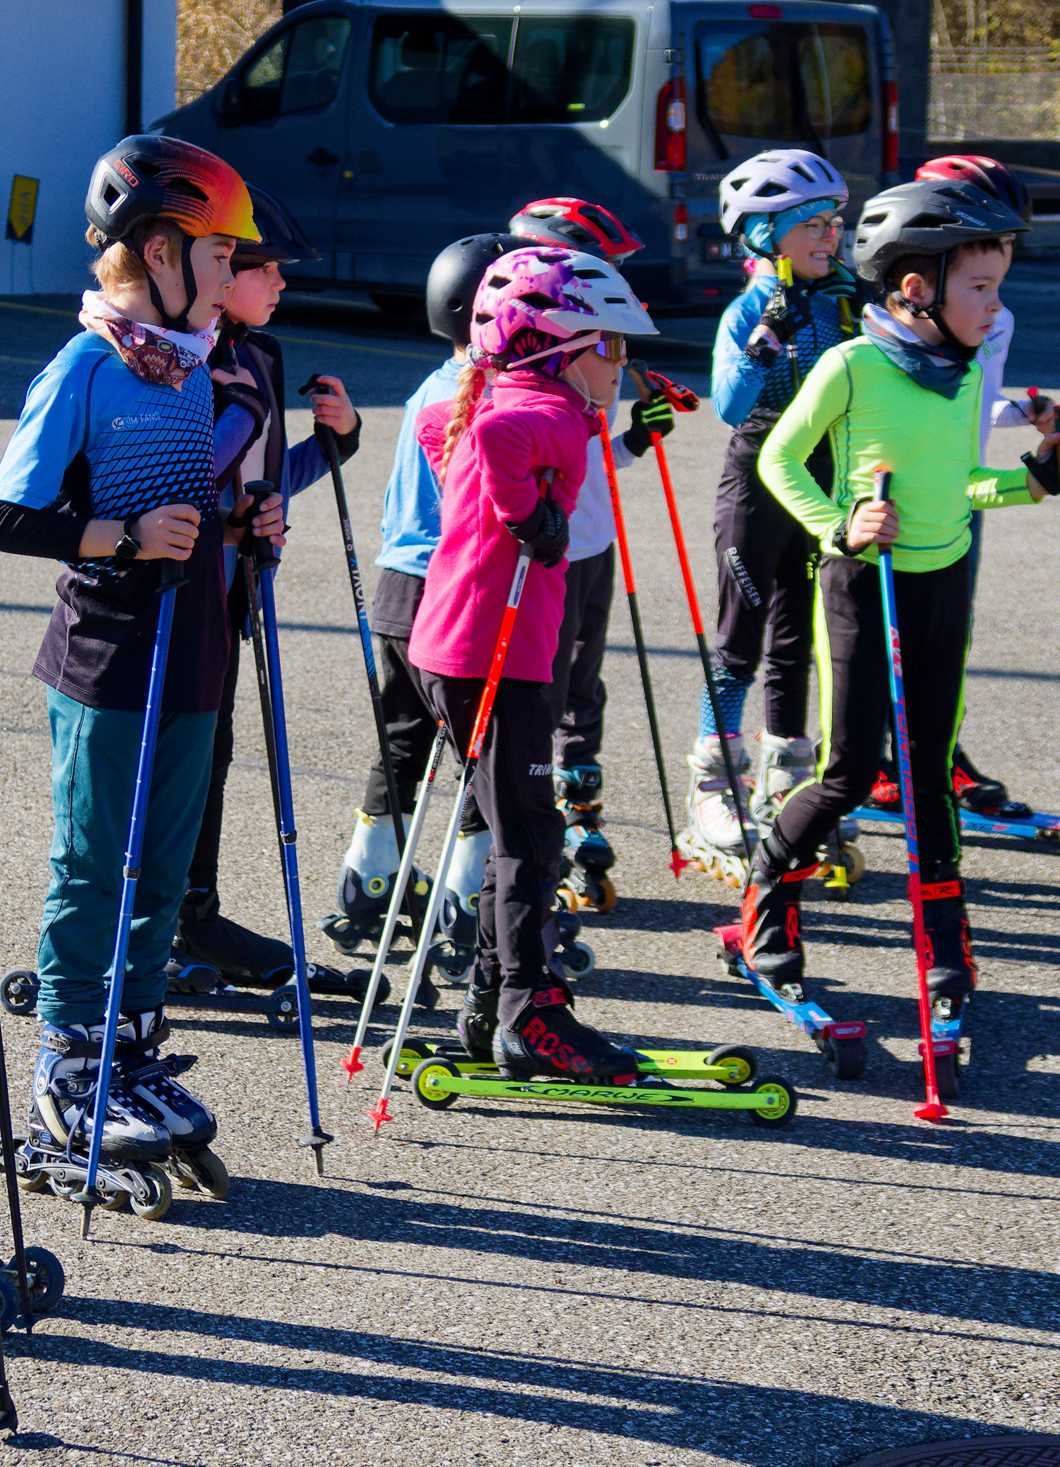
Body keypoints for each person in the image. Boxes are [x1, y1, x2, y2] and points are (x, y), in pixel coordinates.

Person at [0, 136, 280, 1197]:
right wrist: (125, 537)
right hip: (109, 656)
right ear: (159, 251)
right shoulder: (86, 366)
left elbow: (187, 501)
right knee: (93, 864)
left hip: (194, 647)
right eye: (221, 251)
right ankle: (68, 1066)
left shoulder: (193, 362)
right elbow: (8, 516)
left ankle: (133, 1047)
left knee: (162, 868)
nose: (233, 272)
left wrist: (239, 519)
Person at [738, 178, 1060, 1017]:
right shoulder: (852, 365)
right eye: (981, 287)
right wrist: (840, 526)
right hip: (865, 582)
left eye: (998, 287)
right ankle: (767, 892)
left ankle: (944, 939)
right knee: (851, 772)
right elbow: (778, 459)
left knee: (930, 771)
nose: (995, 307)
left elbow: (961, 483)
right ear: (917, 287)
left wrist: (1033, 481)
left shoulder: (961, 373)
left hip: (943, 580)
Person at [410, 244, 659, 1073]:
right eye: (609, 346)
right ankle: (530, 1010)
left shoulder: (521, 394)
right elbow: (492, 436)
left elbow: (439, 426)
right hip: (493, 654)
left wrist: (503, 507)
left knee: (513, 826)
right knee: (532, 834)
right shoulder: (543, 411)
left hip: (463, 649)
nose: (622, 364)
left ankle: (491, 1000)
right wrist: (524, 514)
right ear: (558, 349)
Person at [176, 183, 363, 988]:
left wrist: (337, 442)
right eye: (268, 269)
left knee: (212, 755)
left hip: (234, 593)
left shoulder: (262, 355)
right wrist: (235, 506)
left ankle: (194, 913)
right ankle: (153, 922)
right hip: (175, 593)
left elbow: (268, 479)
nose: (281, 284)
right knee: (173, 758)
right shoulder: (182, 356)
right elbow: (179, 485)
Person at [324, 231, 524, 956]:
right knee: (485, 749)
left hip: (397, 589)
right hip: (452, 594)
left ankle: (371, 876)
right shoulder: (490, 397)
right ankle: (468, 901)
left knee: (403, 736)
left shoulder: (433, 385)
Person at [859, 154, 1058, 820]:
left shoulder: (994, 314)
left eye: (1006, 239)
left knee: (947, 635)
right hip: (894, 494)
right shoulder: (898, 316)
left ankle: (934, 752)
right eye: (987, 236)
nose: (1000, 253)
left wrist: (1020, 414)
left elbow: (974, 403)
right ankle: (874, 760)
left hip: (963, 489)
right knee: (880, 633)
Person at [505, 198, 683, 914]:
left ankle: (581, 810)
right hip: (544, 552)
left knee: (582, 689)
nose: (618, 283)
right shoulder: (530, 355)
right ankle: (521, 824)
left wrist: (636, 439)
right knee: (539, 692)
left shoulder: (597, 341)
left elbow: (595, 457)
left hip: (593, 545)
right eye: (604, 268)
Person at [682, 150, 856, 874]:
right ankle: (712, 783)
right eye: (812, 225)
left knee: (799, 637)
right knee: (739, 638)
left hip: (821, 471)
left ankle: (786, 772)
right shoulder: (749, 309)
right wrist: (767, 339)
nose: (830, 236)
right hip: (758, 472)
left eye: (834, 223)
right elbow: (727, 403)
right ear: (764, 236)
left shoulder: (843, 300)